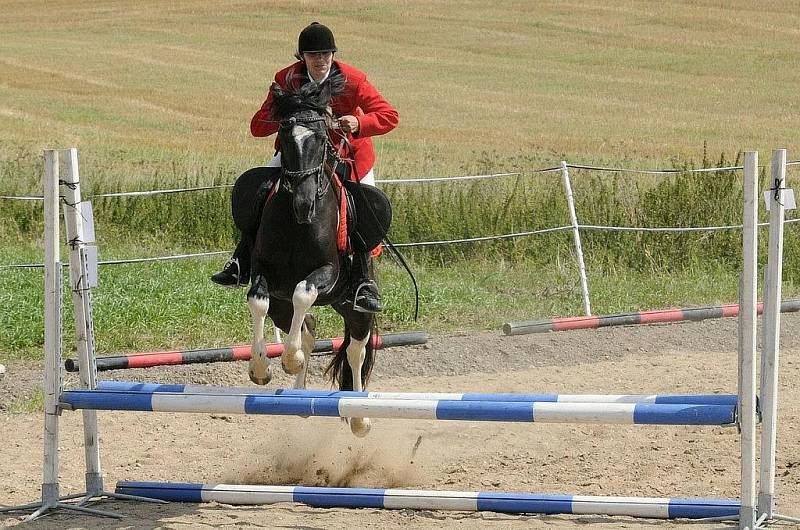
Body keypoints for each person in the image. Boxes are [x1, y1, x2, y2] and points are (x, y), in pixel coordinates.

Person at [212, 22, 399, 314]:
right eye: (314, 55)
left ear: (333, 54)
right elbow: (257, 126)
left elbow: (390, 116)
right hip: (300, 154)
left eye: (326, 54)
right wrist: (285, 113)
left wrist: (359, 123)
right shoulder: (286, 79)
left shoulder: (353, 79)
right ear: (302, 57)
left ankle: (364, 282)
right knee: (260, 189)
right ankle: (240, 261)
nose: (321, 60)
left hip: (347, 155)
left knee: (366, 206)